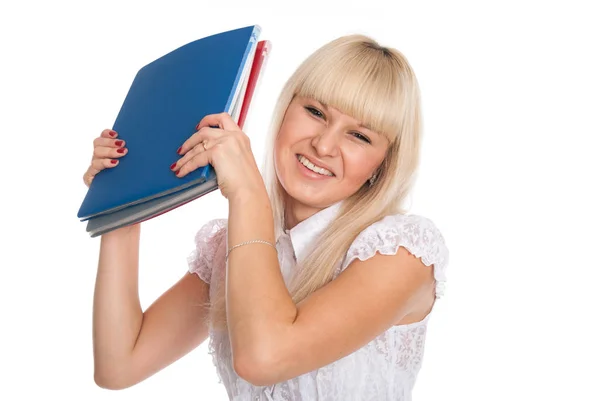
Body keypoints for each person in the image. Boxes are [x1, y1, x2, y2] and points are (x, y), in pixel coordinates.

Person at [83, 33, 449, 401]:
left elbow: (264, 357)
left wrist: (247, 192)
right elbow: (120, 365)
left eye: (358, 136)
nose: (323, 145)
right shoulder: (230, 248)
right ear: (286, 109)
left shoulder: (402, 252)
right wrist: (122, 205)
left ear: (381, 165)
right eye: (316, 112)